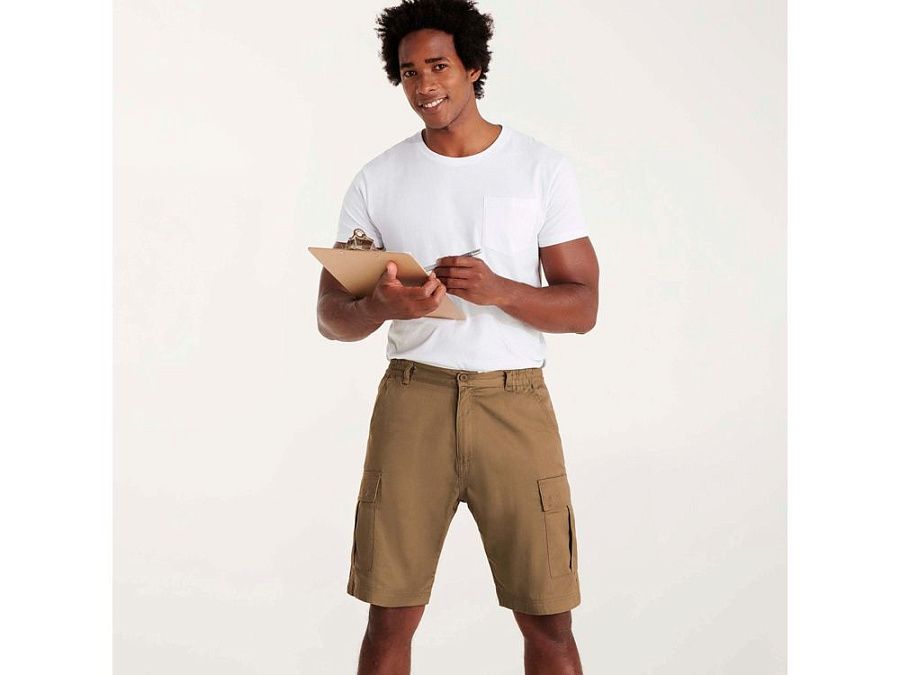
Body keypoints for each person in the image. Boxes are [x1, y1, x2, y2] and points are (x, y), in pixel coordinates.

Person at [316, 1, 599, 672]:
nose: (424, 85)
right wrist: (380, 304)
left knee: (548, 617)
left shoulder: (539, 169)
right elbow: (331, 314)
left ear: (473, 67)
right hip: (413, 401)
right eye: (410, 71)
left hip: (514, 402)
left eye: (438, 66)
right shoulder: (379, 179)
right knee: (389, 615)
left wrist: (501, 290)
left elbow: (583, 306)